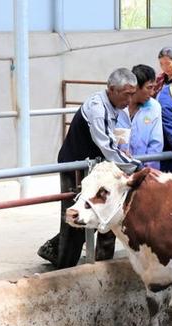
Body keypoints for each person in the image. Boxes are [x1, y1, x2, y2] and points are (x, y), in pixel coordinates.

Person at [38, 68, 142, 268]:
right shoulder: (98, 108)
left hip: (95, 169)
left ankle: (52, 248)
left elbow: (116, 140)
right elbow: (107, 147)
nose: (130, 99)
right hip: (76, 167)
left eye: (132, 94)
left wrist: (123, 155)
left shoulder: (116, 107)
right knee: (75, 218)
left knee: (97, 212)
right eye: (127, 94)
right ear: (111, 89)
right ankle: (64, 267)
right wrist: (137, 167)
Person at [117, 64, 163, 170]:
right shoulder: (119, 106)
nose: (152, 93)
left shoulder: (154, 107)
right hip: (118, 168)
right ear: (136, 86)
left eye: (154, 88)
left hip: (143, 169)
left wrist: (147, 171)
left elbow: (156, 143)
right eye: (149, 88)